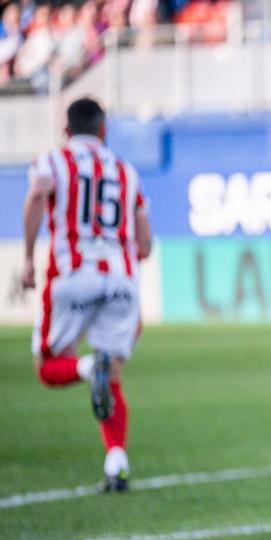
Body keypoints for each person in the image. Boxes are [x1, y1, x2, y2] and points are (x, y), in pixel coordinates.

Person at [20, 97, 151, 493]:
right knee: (112, 374)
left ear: (66, 130)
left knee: (48, 365)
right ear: (103, 130)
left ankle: (83, 367)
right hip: (121, 281)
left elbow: (38, 193)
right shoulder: (127, 171)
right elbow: (144, 242)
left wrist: (28, 257)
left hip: (72, 276)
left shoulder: (54, 162)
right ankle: (117, 460)